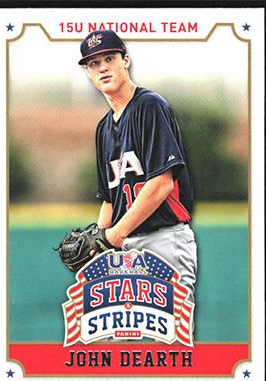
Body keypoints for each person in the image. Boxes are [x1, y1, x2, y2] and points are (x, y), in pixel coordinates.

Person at [79, 30, 198, 302]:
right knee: (122, 327)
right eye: (94, 63)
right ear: (88, 73)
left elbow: (162, 184)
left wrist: (114, 235)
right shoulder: (103, 128)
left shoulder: (149, 106)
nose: (103, 68)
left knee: (171, 327)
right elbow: (109, 200)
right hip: (124, 246)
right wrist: (98, 242)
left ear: (126, 60)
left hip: (164, 239)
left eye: (109, 58)